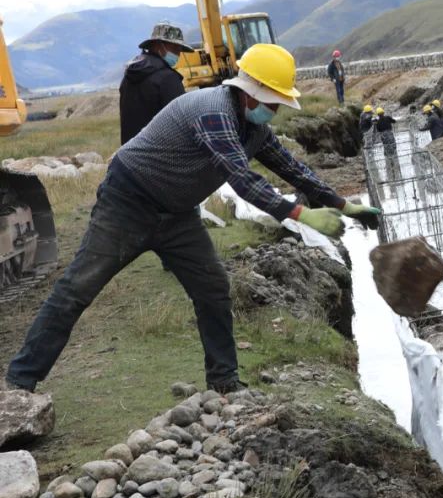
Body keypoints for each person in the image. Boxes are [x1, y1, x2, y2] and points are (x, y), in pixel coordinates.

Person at [4, 44, 381, 396]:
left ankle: (224, 382)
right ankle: (21, 381)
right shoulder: (213, 110)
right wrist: (300, 214)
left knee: (212, 288)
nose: (276, 110)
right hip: (128, 203)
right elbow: (242, 179)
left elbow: (292, 168)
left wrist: (342, 205)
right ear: (250, 90)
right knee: (77, 288)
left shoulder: (255, 128)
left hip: (177, 214)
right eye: (273, 101)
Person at [119, 22, 194, 145]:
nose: (178, 55)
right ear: (159, 45)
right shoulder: (167, 78)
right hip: (158, 157)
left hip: (130, 154)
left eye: (179, 51)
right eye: (175, 49)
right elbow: (183, 122)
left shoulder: (129, 75)